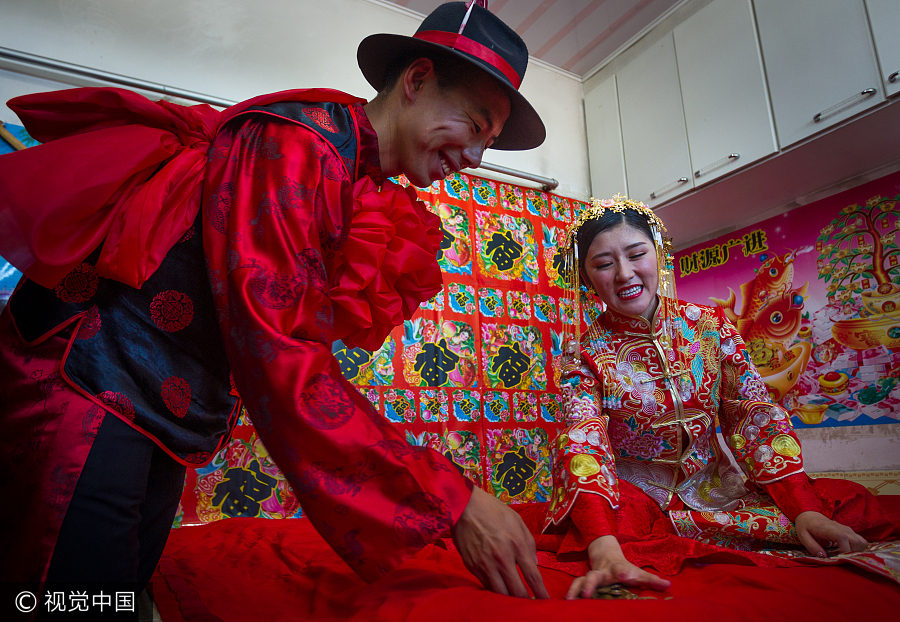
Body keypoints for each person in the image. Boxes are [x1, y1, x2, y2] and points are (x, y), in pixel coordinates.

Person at [0, 1, 549, 603]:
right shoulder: (297, 143)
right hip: (90, 381)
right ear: (417, 80)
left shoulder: (349, 167)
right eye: (474, 125)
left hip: (156, 409)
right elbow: (277, 345)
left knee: (123, 593)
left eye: (489, 142)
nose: (475, 158)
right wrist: (451, 498)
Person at [542, 195, 899, 599]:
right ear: (587, 278)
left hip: (717, 491)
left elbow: (752, 415)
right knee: (603, 534)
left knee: (847, 504)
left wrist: (804, 509)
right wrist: (602, 545)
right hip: (635, 502)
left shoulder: (711, 326)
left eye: (636, 254)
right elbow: (583, 439)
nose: (625, 273)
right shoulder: (584, 354)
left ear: (658, 255)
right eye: (604, 264)